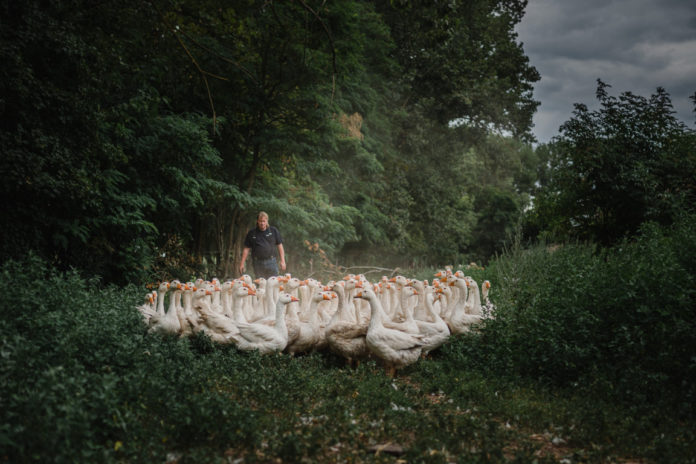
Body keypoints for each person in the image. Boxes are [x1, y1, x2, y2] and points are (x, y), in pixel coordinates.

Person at [238, 211, 286, 279]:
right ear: (257, 221)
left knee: (274, 284)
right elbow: (246, 249)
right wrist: (242, 263)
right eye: (260, 221)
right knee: (261, 286)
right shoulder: (252, 233)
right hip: (258, 263)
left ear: (267, 221)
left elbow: (280, 246)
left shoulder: (273, 231)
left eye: (264, 221)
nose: (262, 223)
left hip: (271, 261)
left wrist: (283, 261)